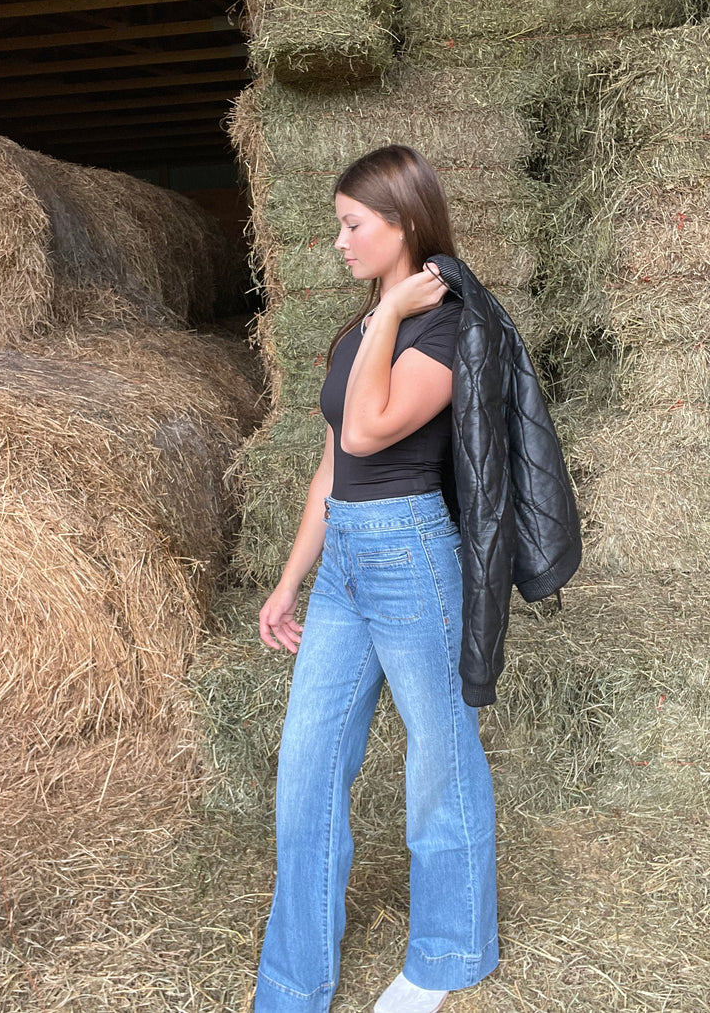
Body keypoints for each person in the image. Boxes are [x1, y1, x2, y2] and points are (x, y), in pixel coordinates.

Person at [255, 144, 498, 1013]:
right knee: (307, 765)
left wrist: (395, 309)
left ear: (403, 221)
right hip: (348, 566)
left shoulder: (446, 324)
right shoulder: (364, 329)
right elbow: (331, 468)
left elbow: (370, 432)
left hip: (410, 555)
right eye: (335, 227)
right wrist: (291, 580)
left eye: (353, 225)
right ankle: (291, 984)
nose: (340, 242)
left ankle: (447, 953)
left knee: (441, 757)